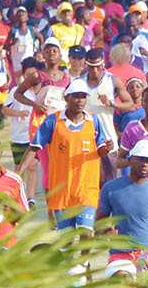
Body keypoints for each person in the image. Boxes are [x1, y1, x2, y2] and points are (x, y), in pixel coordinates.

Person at [33, 84, 116, 231]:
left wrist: (106, 148)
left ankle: (85, 255)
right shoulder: (53, 121)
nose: (80, 100)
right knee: (67, 240)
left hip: (86, 190)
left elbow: (100, 150)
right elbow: (34, 147)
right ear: (66, 98)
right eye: (75, 96)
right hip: (62, 191)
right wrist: (19, 173)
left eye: (83, 97)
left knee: (86, 233)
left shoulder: (93, 121)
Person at [97, 141, 148, 248]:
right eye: (140, 159)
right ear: (130, 160)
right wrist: (106, 232)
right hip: (120, 253)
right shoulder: (111, 188)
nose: (144, 164)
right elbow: (99, 221)